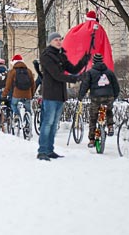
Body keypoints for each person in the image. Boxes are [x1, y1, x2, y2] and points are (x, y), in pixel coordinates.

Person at [37, 32, 90, 161]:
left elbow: (72, 69)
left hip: (60, 94)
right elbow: (56, 75)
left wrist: (84, 61)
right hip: (50, 94)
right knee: (48, 123)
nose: (59, 42)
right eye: (56, 40)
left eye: (60, 39)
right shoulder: (47, 56)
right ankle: (42, 150)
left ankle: (50, 150)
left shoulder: (61, 55)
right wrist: (75, 79)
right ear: (50, 42)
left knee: (54, 124)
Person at [78, 53, 120, 148]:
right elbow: (116, 86)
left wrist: (80, 96)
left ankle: (92, 140)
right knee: (108, 111)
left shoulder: (90, 72)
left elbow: (85, 85)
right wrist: (114, 96)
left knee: (93, 117)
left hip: (96, 98)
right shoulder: (109, 72)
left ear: (93, 62)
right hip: (109, 97)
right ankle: (110, 126)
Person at [2, 55, 36, 120]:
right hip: (27, 94)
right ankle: (28, 122)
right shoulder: (29, 71)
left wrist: (4, 95)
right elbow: (33, 84)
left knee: (13, 105)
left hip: (17, 94)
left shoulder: (13, 71)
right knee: (28, 108)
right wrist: (32, 94)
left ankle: (17, 117)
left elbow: (8, 85)